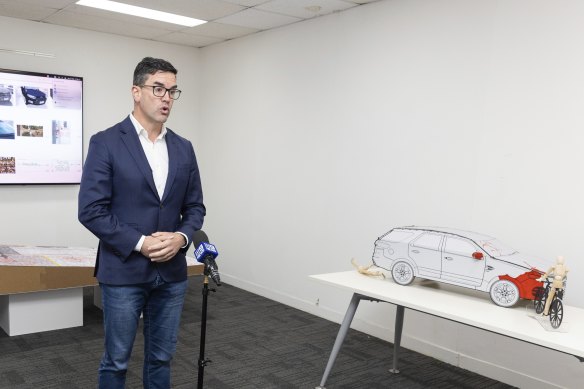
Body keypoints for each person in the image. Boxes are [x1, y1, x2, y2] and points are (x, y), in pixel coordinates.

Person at [78, 57, 206, 388]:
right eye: (158, 88)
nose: (166, 98)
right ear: (137, 92)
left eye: (172, 91)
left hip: (172, 275)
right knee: (117, 360)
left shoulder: (183, 148)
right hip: (124, 271)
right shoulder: (105, 142)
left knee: (162, 358)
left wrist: (181, 238)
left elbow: (195, 208)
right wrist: (141, 242)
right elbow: (91, 209)